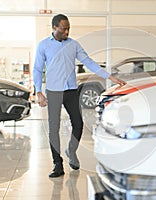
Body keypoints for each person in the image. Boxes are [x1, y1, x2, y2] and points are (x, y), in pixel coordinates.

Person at [33, 14, 126, 178]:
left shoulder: (73, 45)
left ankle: (71, 150)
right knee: (53, 129)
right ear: (54, 28)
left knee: (78, 123)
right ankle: (57, 164)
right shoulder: (43, 46)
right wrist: (38, 91)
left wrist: (109, 77)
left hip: (71, 91)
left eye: (69, 28)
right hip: (53, 92)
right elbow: (38, 69)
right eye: (64, 28)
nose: (67, 31)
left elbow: (88, 62)